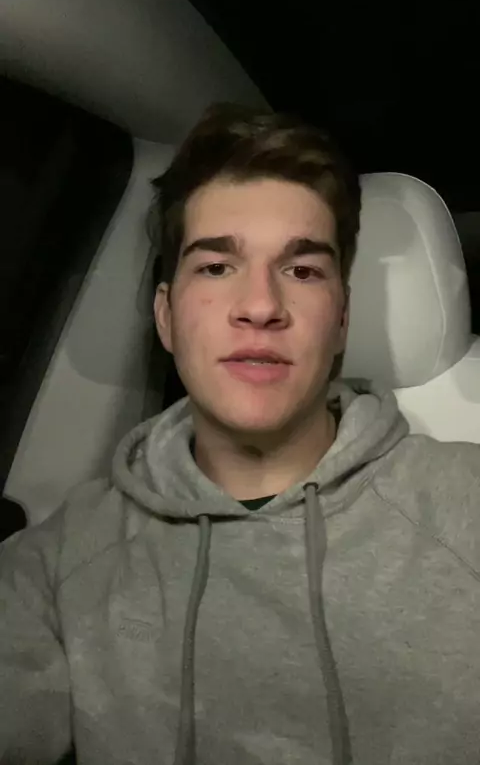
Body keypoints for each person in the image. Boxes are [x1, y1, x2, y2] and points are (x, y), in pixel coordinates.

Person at [1, 104, 479, 765]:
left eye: (302, 270)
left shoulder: (465, 505)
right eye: (216, 267)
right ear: (166, 317)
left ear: (341, 320)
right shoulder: (59, 564)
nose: (260, 306)